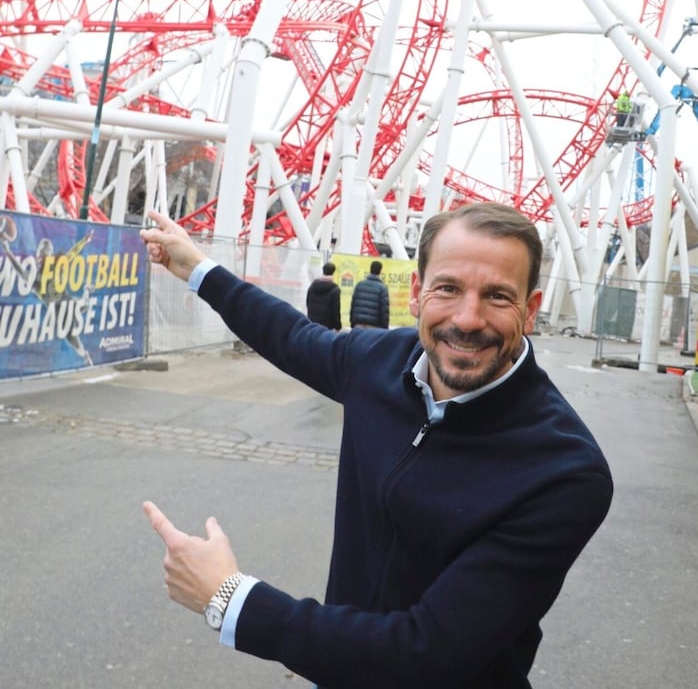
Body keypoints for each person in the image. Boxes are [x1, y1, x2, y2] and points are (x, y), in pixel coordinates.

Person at [140, 202, 613, 689]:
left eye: (497, 296)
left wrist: (230, 597)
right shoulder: (378, 361)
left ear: (531, 311)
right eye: (448, 288)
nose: (468, 319)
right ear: (417, 293)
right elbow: (288, 334)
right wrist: (199, 269)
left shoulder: (565, 473)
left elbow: (425, 653)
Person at [349, 258, 390, 328]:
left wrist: (352, 323)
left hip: (358, 323)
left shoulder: (359, 285)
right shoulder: (382, 288)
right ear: (380, 271)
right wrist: (384, 327)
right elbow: (384, 310)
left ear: (370, 269)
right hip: (374, 326)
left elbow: (353, 305)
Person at [305, 261, 342, 331]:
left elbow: (307, 302)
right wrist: (338, 326)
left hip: (312, 323)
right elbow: (336, 310)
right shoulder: (335, 290)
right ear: (333, 272)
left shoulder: (313, 286)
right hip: (327, 326)